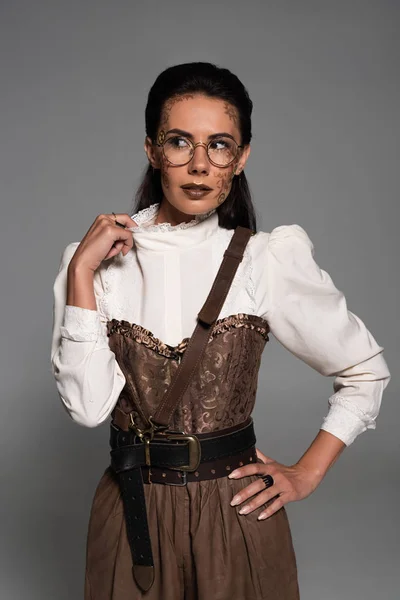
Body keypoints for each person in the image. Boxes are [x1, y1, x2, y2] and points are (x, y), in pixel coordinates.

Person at [51, 62, 391, 600]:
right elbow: (88, 409)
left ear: (242, 157)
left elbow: (365, 371)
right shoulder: (92, 265)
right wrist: (81, 276)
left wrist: (306, 473)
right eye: (180, 142)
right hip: (131, 514)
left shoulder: (264, 259)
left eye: (220, 145)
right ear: (152, 149)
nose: (200, 164)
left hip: (235, 516)